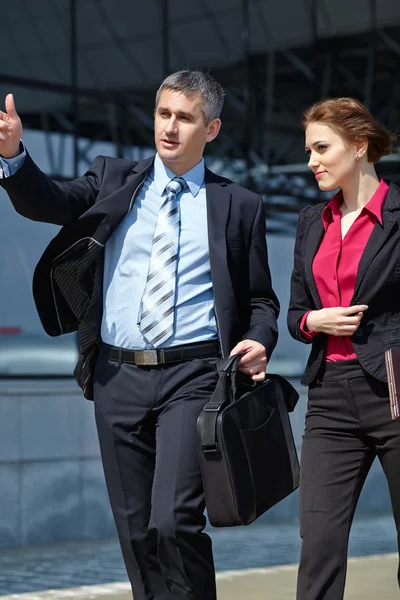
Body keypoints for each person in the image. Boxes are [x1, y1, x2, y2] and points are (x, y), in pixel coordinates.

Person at [0, 70, 279, 600]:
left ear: (212, 128)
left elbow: (261, 299)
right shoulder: (113, 178)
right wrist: (14, 158)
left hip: (194, 376)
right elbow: (50, 202)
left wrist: (261, 338)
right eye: (163, 114)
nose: (170, 128)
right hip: (116, 375)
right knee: (137, 532)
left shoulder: (238, 205)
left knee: (173, 520)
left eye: (186, 118)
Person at [288, 96, 400, 599]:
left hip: (393, 391)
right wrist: (316, 319)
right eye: (309, 149)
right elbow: (294, 313)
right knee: (320, 544)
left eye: (321, 147)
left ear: (358, 146)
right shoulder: (313, 222)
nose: (312, 160)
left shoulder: (398, 215)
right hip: (329, 396)